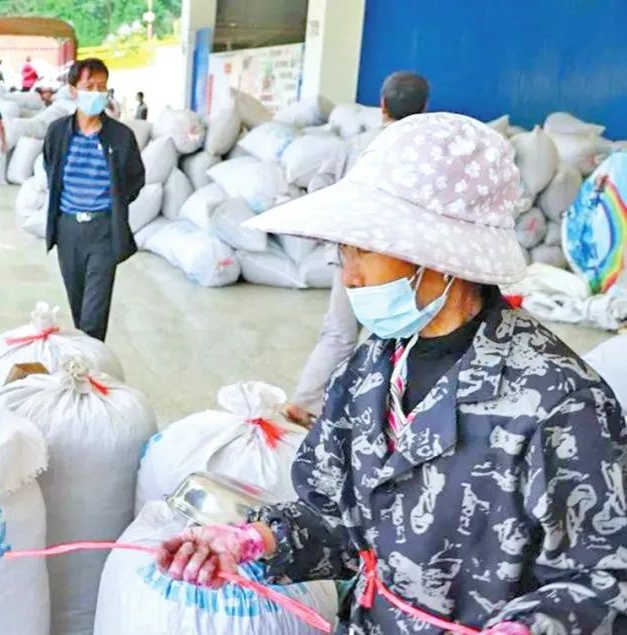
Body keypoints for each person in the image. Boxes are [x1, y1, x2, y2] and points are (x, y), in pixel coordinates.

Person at [157, 113, 627, 634]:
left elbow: (604, 577)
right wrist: (254, 539)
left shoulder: (558, 402)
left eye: (364, 250)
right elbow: (338, 520)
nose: (349, 273)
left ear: (439, 254)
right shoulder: (370, 371)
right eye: (343, 251)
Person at [287, 71, 430, 425]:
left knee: (339, 332)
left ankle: (305, 402)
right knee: (398, 337)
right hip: (402, 263)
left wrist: (341, 234)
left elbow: (320, 187)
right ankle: (380, 418)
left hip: (352, 259)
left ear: (382, 105)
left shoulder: (355, 145)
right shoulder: (425, 153)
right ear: (425, 108)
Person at [42, 58, 145, 341]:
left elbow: (135, 179)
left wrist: (112, 203)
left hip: (103, 230)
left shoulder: (121, 136)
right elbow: (50, 168)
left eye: (102, 86)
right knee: (77, 306)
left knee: (93, 313)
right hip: (68, 229)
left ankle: (92, 369)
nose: (97, 92)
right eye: (90, 86)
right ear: (74, 90)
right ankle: (83, 361)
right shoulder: (58, 133)